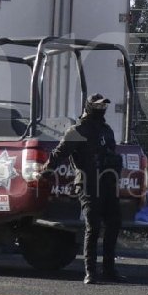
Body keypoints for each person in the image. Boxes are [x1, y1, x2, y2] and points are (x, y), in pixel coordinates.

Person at [39, 93, 124, 285]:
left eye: (104, 106)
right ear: (89, 106)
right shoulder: (77, 130)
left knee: (114, 223)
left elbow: (112, 154)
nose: (101, 109)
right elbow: (59, 153)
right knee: (93, 227)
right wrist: (46, 171)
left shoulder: (107, 130)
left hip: (108, 183)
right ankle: (90, 272)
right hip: (88, 183)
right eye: (98, 106)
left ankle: (109, 270)